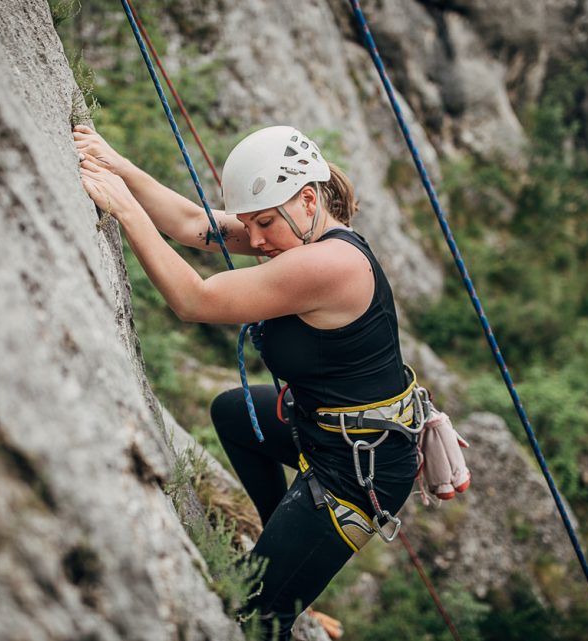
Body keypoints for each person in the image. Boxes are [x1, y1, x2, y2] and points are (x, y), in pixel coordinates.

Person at [75, 124, 419, 640]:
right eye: (248, 225)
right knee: (233, 414)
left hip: (358, 468)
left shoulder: (329, 263)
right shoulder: (296, 232)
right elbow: (193, 223)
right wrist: (117, 163)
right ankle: (275, 538)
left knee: (254, 616)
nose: (255, 240)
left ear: (308, 200)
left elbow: (194, 300)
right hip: (322, 428)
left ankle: (278, 568)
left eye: (262, 224)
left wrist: (124, 210)